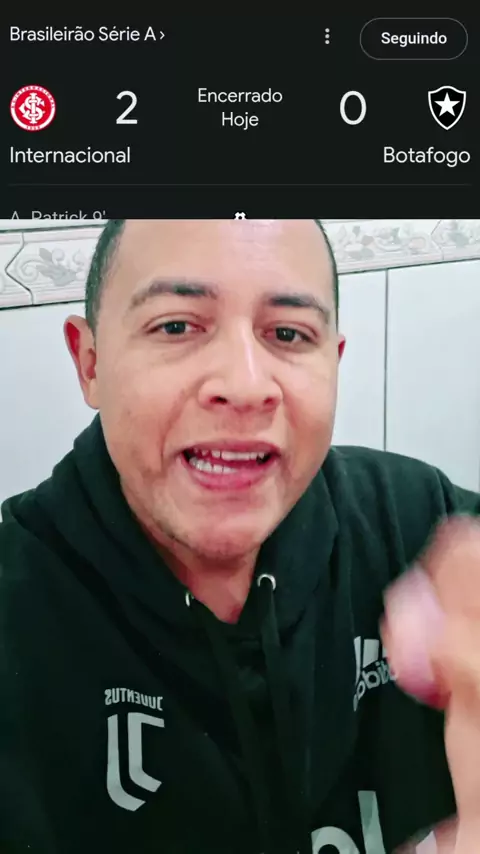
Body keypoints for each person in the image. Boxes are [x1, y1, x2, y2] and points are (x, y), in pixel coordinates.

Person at [1, 218, 479, 854]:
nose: (246, 386)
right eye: (176, 327)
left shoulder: (419, 525)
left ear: (335, 362)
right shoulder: (17, 620)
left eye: (288, 334)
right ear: (89, 362)